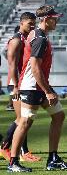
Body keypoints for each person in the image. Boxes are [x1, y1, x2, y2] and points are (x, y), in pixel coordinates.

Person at [8, 5, 67, 172]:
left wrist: (47, 88)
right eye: (54, 17)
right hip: (32, 86)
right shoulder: (40, 38)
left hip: (38, 85)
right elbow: (35, 67)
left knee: (59, 116)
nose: (57, 20)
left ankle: (53, 159)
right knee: (24, 122)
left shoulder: (38, 35)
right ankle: (13, 163)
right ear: (46, 19)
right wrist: (48, 91)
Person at [0, 14, 41, 163]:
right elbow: (12, 65)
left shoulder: (26, 39)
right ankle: (12, 149)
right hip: (16, 84)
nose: (32, 26)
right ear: (21, 23)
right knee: (22, 119)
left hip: (21, 83)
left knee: (23, 118)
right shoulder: (16, 40)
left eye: (34, 24)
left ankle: (12, 149)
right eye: (30, 23)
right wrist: (15, 86)